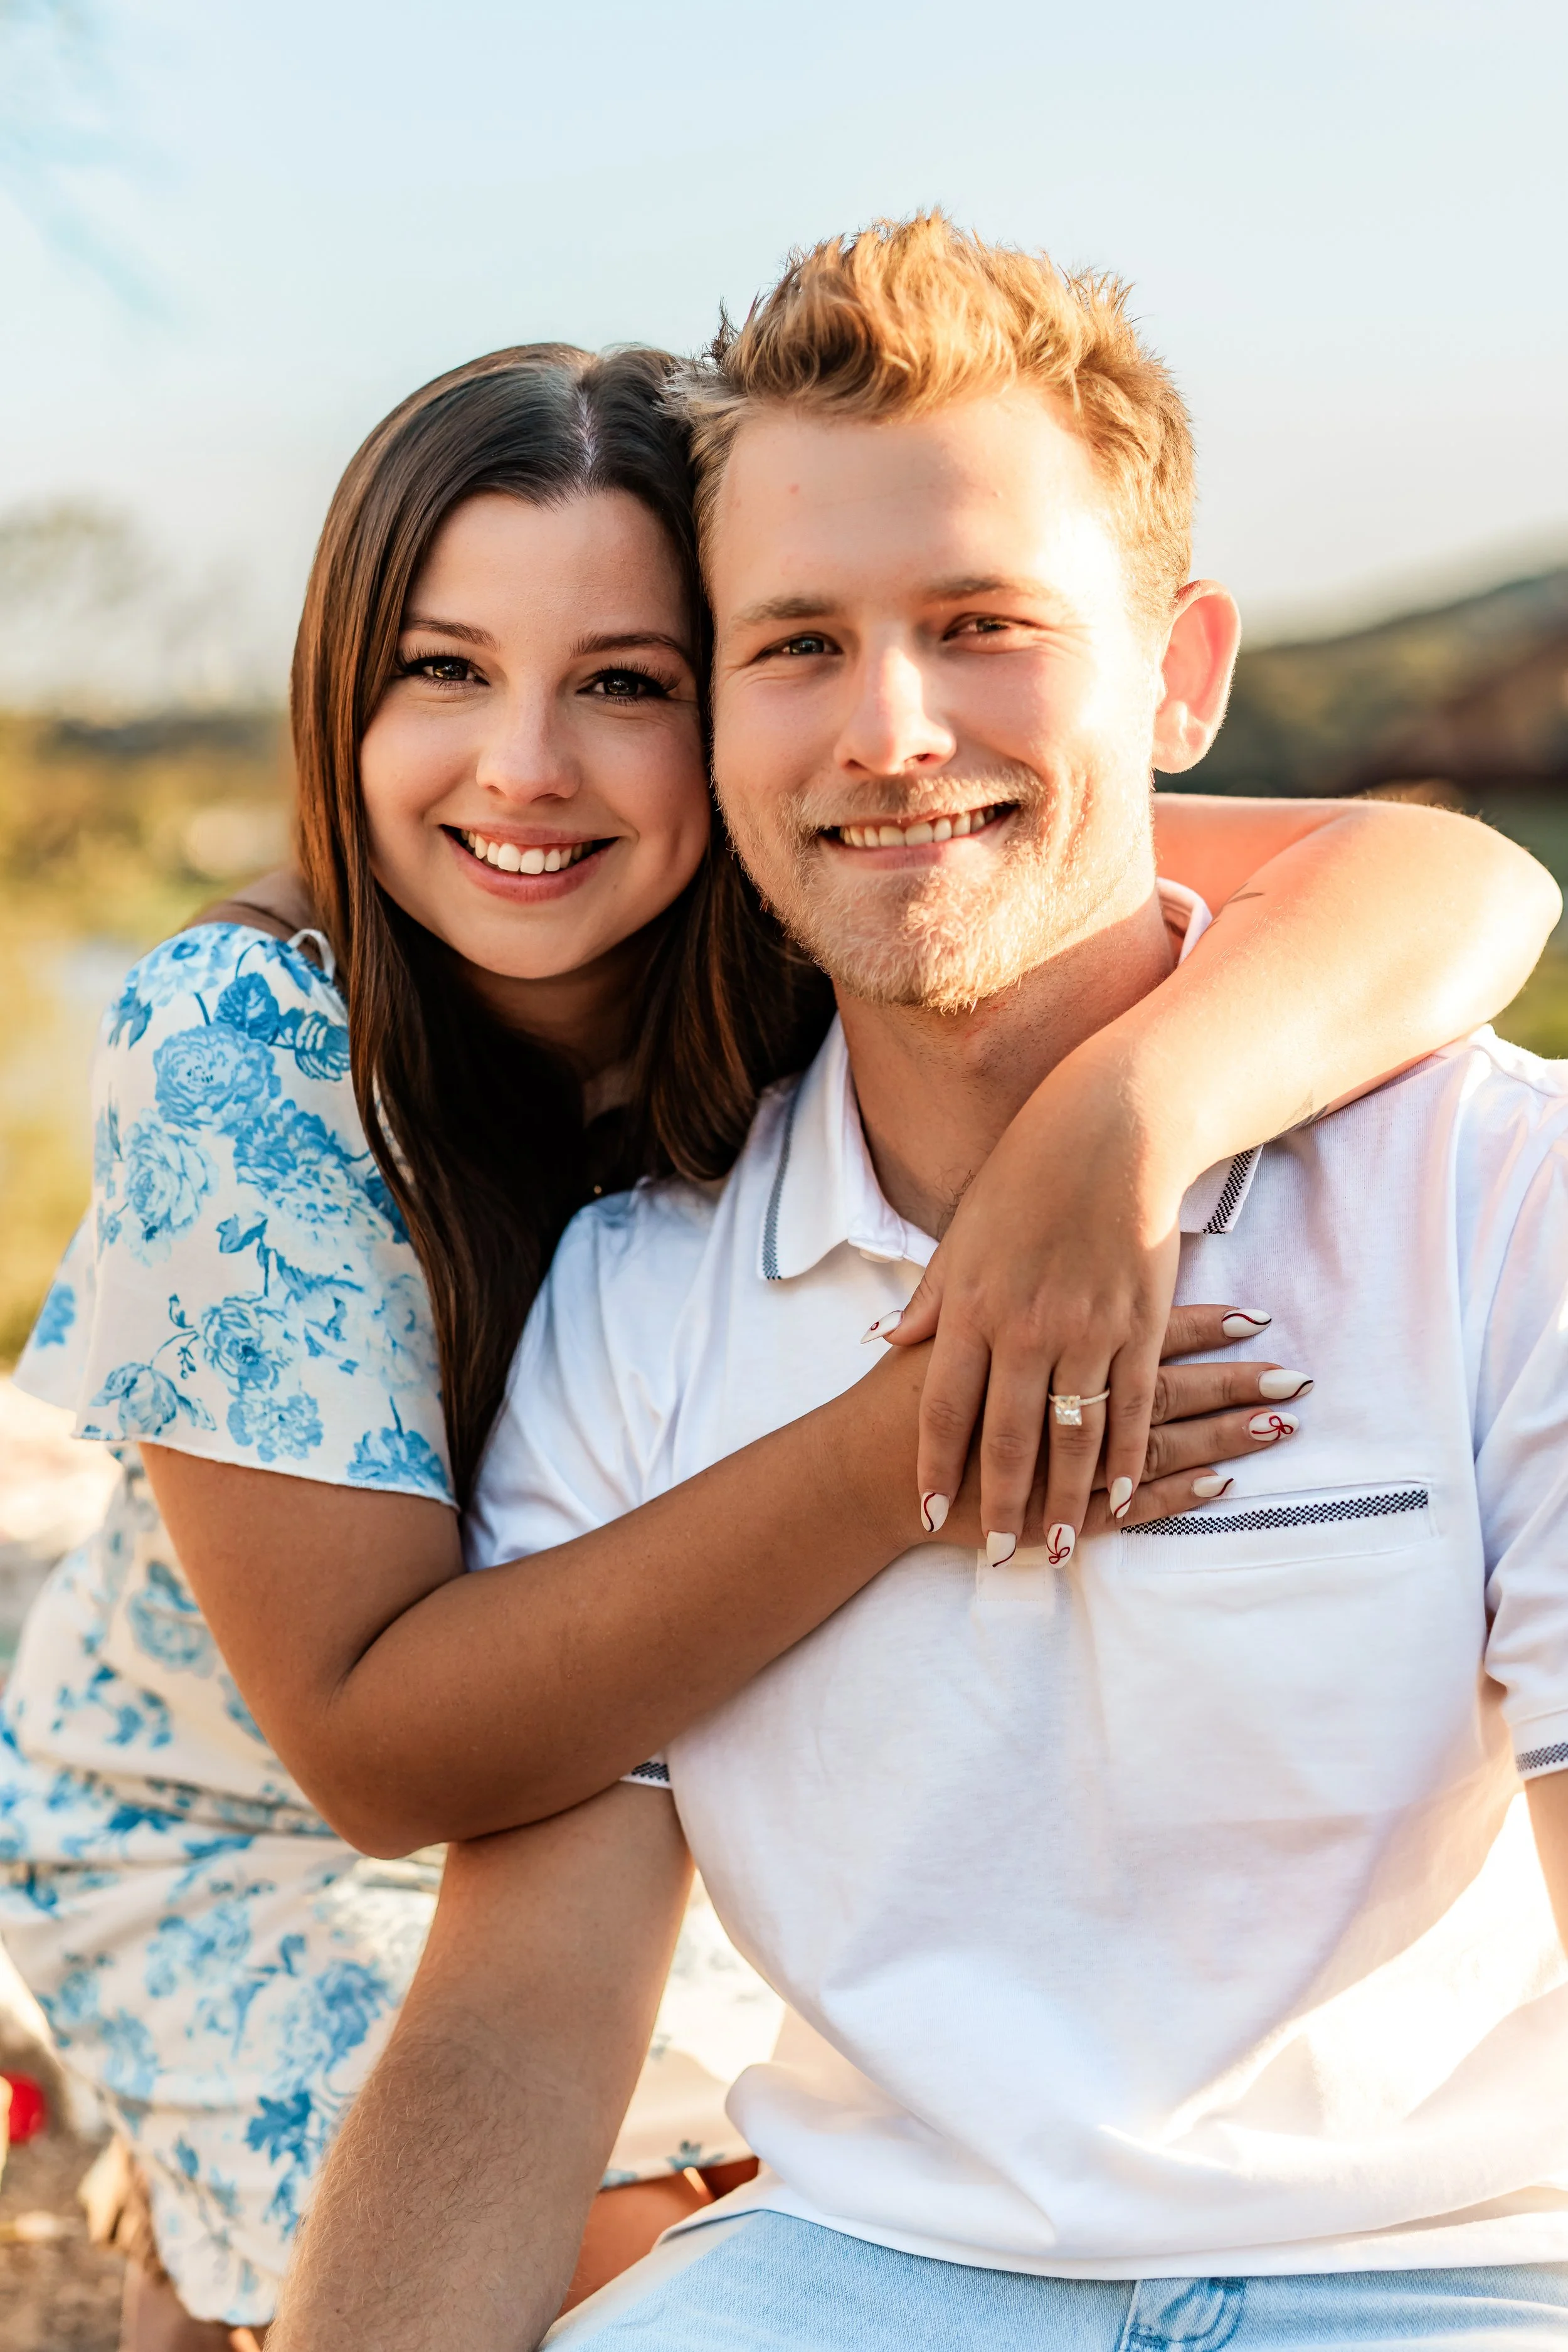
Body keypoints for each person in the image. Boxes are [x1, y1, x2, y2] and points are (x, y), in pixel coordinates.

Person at [1, 329, 1553, 2349]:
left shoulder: (837, 878)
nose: (526, 766)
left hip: (670, 1727)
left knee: (821, 2175)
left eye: (626, 681)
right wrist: (927, 1422)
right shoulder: (250, 1049)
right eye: (439, 670)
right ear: (339, 695)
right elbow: (380, 1756)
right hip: (267, 1821)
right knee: (612, 2251)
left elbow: (1439, 875)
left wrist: (1114, 1127)